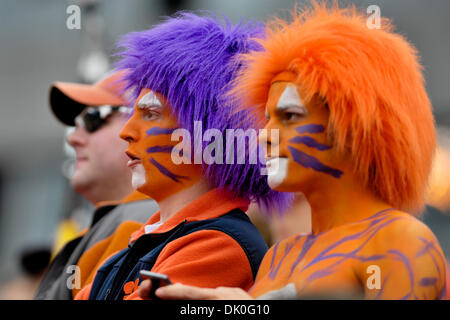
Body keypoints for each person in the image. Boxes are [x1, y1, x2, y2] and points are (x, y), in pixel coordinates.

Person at [144, 4, 447, 300]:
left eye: (289, 117)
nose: (263, 137)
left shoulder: (398, 241)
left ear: (355, 127)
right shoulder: (280, 257)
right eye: (267, 119)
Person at [74, 12, 292, 300]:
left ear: (208, 133)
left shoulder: (219, 244)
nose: (125, 132)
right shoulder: (128, 249)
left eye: (151, 114)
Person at [35, 71, 158, 299]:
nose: (72, 138)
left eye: (93, 119)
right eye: (76, 124)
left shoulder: (142, 225)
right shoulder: (121, 222)